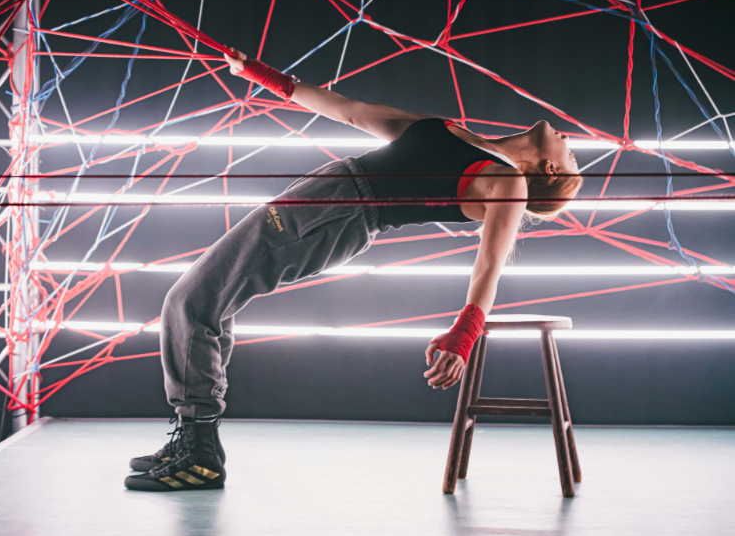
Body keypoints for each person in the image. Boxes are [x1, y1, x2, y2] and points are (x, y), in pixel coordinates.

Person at [124, 50, 583, 492]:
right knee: (209, 304)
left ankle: (200, 453)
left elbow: (490, 262)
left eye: (571, 158)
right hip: (328, 193)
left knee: (192, 301)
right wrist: (259, 74)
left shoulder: (510, 180)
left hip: (338, 214)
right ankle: (195, 442)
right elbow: (349, 110)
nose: (569, 142)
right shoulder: (456, 132)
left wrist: (464, 334)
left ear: (547, 169)